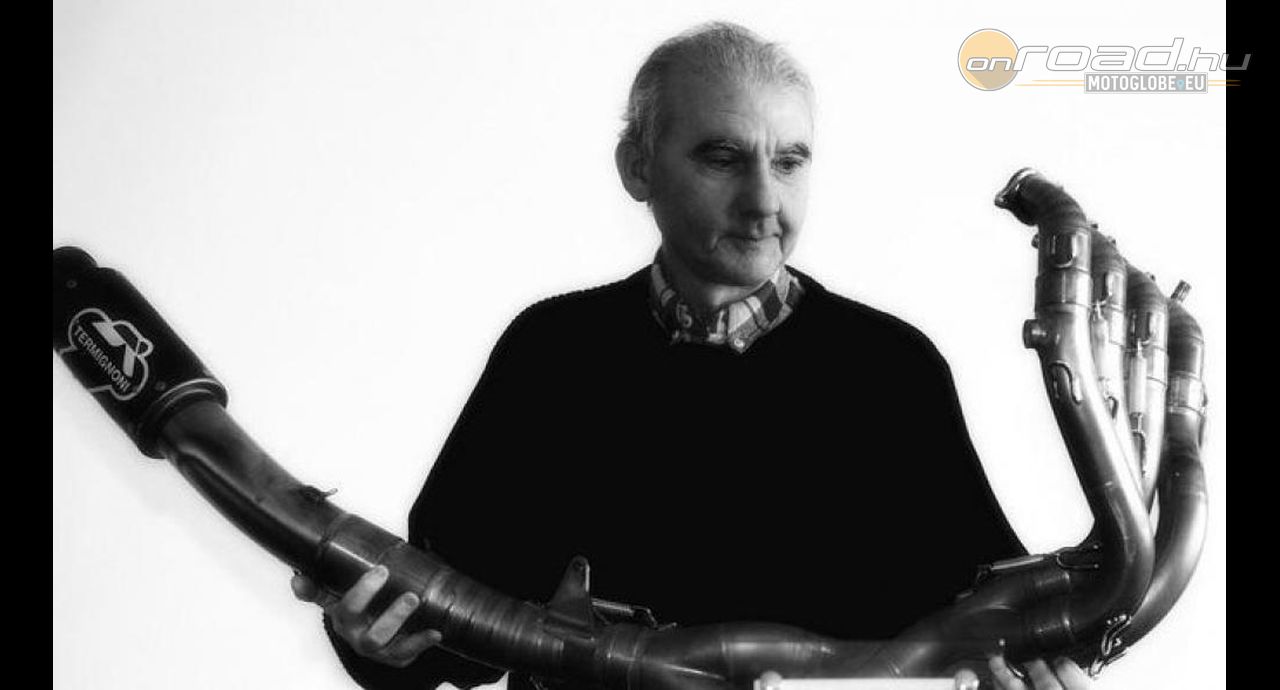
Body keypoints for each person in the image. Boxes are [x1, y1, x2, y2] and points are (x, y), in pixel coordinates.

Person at [292, 22, 1093, 690]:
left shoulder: (893, 371)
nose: (764, 202)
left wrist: (1034, 669)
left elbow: (984, 623)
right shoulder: (549, 354)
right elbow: (447, 633)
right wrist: (375, 643)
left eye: (790, 161)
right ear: (637, 167)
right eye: (722, 157)